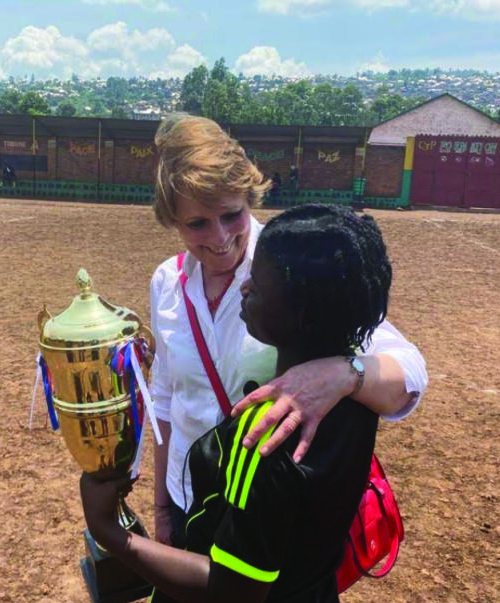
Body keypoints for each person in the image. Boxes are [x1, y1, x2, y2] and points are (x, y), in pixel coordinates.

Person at [80, 203, 393, 603]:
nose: (244, 289)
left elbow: (231, 595)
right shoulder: (356, 393)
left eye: (257, 285)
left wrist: (112, 534)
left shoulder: (264, 436)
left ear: (302, 315)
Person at [148, 114, 427, 548]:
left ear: (250, 198)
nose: (219, 237)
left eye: (232, 214)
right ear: (172, 220)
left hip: (267, 512)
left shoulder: (293, 267)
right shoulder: (166, 282)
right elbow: (166, 397)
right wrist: (164, 508)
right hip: (190, 499)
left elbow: (409, 373)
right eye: (197, 223)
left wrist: (343, 373)